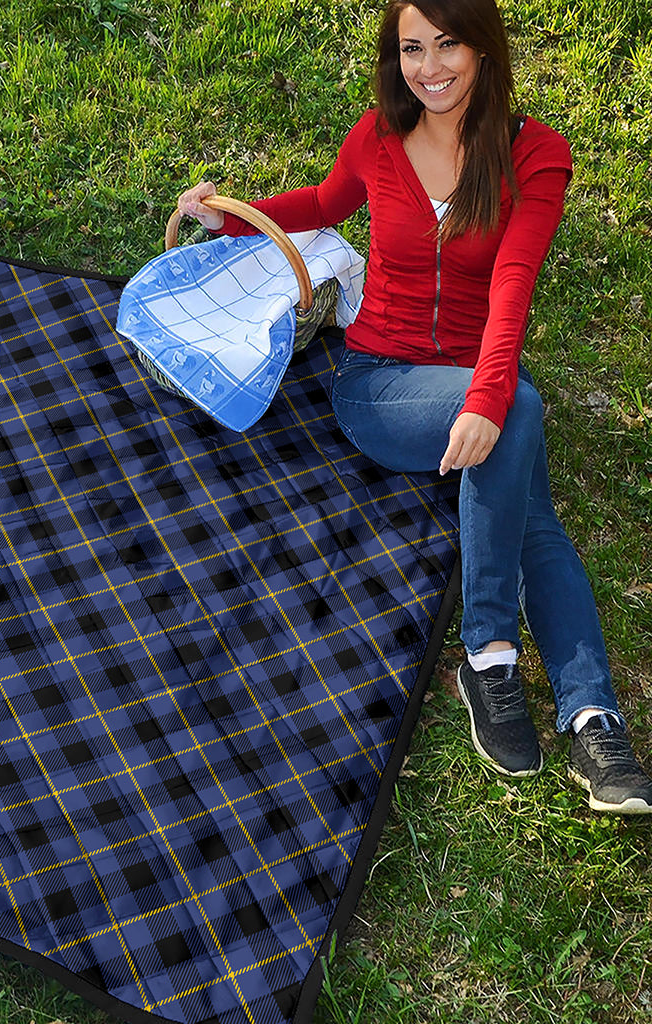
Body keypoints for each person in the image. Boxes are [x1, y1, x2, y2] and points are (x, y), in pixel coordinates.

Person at [176, 0, 652, 814]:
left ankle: (587, 714)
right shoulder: (378, 137)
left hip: (472, 377)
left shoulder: (535, 155)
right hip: (379, 383)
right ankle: (496, 655)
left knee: (528, 484)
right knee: (522, 420)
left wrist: (489, 396)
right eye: (411, 48)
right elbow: (324, 205)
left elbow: (513, 284)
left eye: (448, 44)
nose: (429, 67)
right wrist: (232, 220)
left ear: (484, 48)